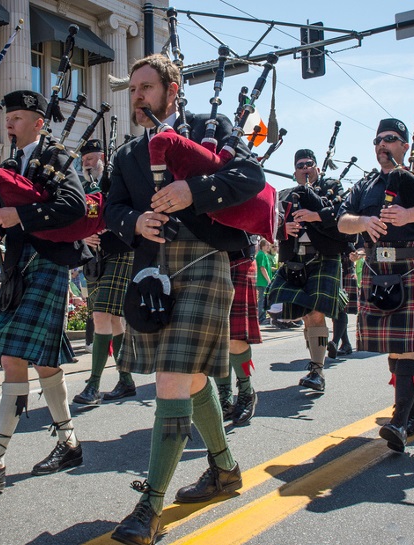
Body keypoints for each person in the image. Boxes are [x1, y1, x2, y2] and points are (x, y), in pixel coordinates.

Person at [106, 54, 264, 545]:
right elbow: (110, 208)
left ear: (172, 89)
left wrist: (192, 190)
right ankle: (225, 468)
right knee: (190, 375)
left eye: (146, 88)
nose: (137, 97)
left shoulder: (209, 128)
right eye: (132, 89)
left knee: (173, 375)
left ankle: (149, 507)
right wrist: (133, 222)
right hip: (151, 266)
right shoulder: (128, 153)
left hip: (204, 260)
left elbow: (251, 178)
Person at [0, 89, 87, 494]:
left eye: (16, 117)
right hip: (16, 269)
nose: (8, 123)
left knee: (13, 357)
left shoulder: (57, 157)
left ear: (38, 122)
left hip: (47, 264)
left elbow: (76, 205)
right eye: (7, 117)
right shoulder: (9, 164)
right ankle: (69, 444)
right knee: (44, 364)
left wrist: (20, 215)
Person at [337, 118, 414, 453]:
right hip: (377, 266)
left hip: (412, 263)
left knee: (405, 345)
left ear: (404, 145)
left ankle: (400, 421)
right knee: (396, 346)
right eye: (377, 140)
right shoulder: (365, 184)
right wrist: (362, 222)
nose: (382, 145)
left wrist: (409, 215)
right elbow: (342, 219)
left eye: (390, 139)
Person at [266, 149, 349, 393]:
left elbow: (343, 215)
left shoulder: (332, 187)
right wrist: (283, 229)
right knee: (302, 312)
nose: (305, 168)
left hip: (323, 256)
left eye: (309, 164)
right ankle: (317, 354)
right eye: (300, 165)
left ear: (317, 168)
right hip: (294, 260)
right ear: (295, 172)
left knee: (314, 313)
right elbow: (271, 224)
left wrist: (315, 215)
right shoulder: (286, 196)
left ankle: (317, 369)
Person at [73, 139, 136, 405]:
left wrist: (109, 227)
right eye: (84, 159)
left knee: (101, 315)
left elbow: (129, 209)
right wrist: (84, 236)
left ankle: (93, 385)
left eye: (90, 158)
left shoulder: (117, 179)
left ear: (102, 157)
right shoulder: (81, 187)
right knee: (112, 321)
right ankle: (126, 380)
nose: (86, 163)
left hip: (121, 250)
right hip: (94, 258)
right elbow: (75, 220)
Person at [215, 237, 261, 426]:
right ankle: (224, 397)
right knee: (215, 340)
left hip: (240, 258)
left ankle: (245, 391)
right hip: (208, 260)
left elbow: (273, 214)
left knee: (235, 338)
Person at [255, 238, 273, 325]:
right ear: (262, 246)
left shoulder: (264, 255)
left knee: (263, 299)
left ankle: (262, 317)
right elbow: (262, 268)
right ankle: (260, 318)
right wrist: (269, 280)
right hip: (262, 281)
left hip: (263, 281)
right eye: (267, 245)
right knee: (262, 300)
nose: (269, 247)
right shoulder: (261, 255)